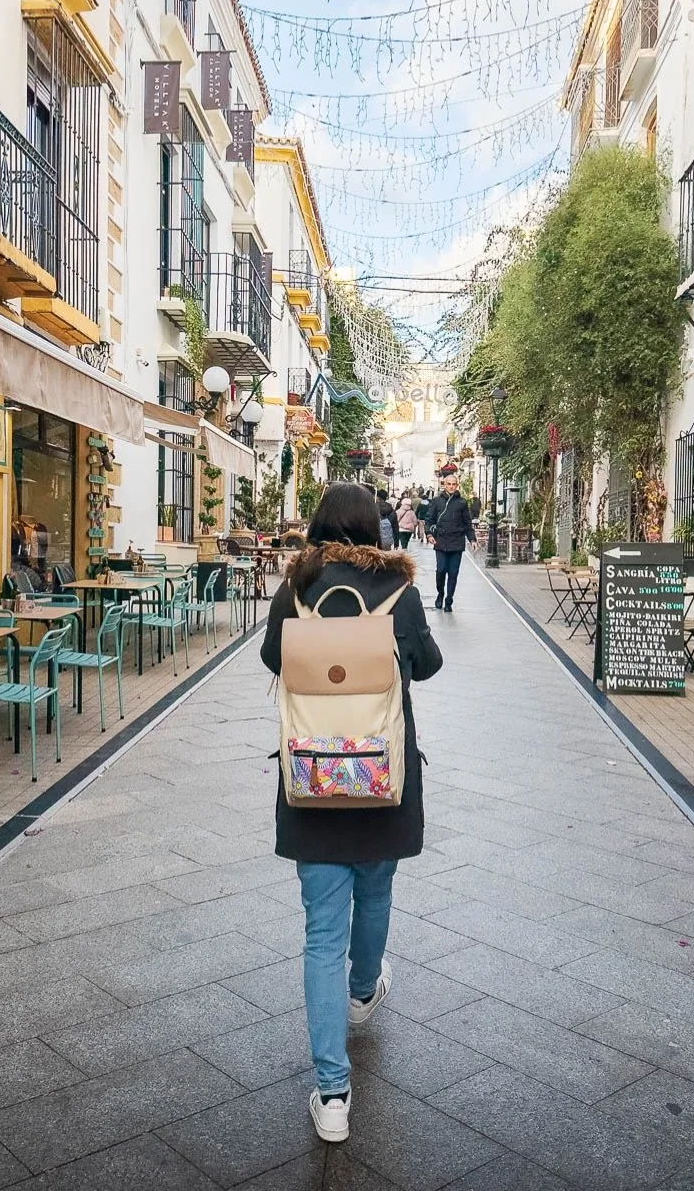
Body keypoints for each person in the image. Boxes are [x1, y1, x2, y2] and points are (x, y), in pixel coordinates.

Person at [261, 483, 443, 1143]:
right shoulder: (398, 590)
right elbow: (427, 664)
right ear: (377, 528)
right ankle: (364, 992)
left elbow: (270, 659)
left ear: (316, 525)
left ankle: (332, 1096)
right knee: (376, 886)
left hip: (312, 776)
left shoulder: (298, 589)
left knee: (320, 934)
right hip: (381, 776)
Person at [425, 471, 476, 611]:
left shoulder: (462, 502)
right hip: (441, 541)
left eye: (454, 484)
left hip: (456, 542)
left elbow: (467, 523)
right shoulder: (436, 501)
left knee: (453, 573)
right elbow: (429, 519)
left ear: (457, 485)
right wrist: (429, 534)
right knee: (441, 570)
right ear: (444, 485)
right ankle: (440, 594)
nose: (451, 487)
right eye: (449, 484)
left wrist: (472, 539)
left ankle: (449, 599)